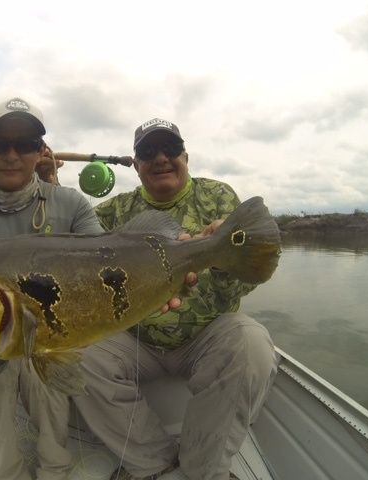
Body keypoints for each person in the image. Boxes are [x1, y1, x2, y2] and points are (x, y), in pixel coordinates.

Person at [72, 118, 279, 480]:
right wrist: (48, 185)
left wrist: (222, 260)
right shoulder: (112, 212)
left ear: (186, 156)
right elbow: (68, 253)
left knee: (252, 344)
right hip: (134, 338)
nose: (161, 158)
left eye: (170, 149)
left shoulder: (218, 198)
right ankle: (151, 464)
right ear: (135, 166)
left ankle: (204, 469)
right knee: (77, 357)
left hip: (205, 335)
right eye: (148, 152)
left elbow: (246, 282)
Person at [0, 97, 105, 480]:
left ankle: (54, 468)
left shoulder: (73, 205)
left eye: (26, 144)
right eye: (0, 144)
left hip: (52, 333)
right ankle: (6, 473)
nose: (12, 154)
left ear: (40, 151)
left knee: (42, 359)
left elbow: (103, 263)